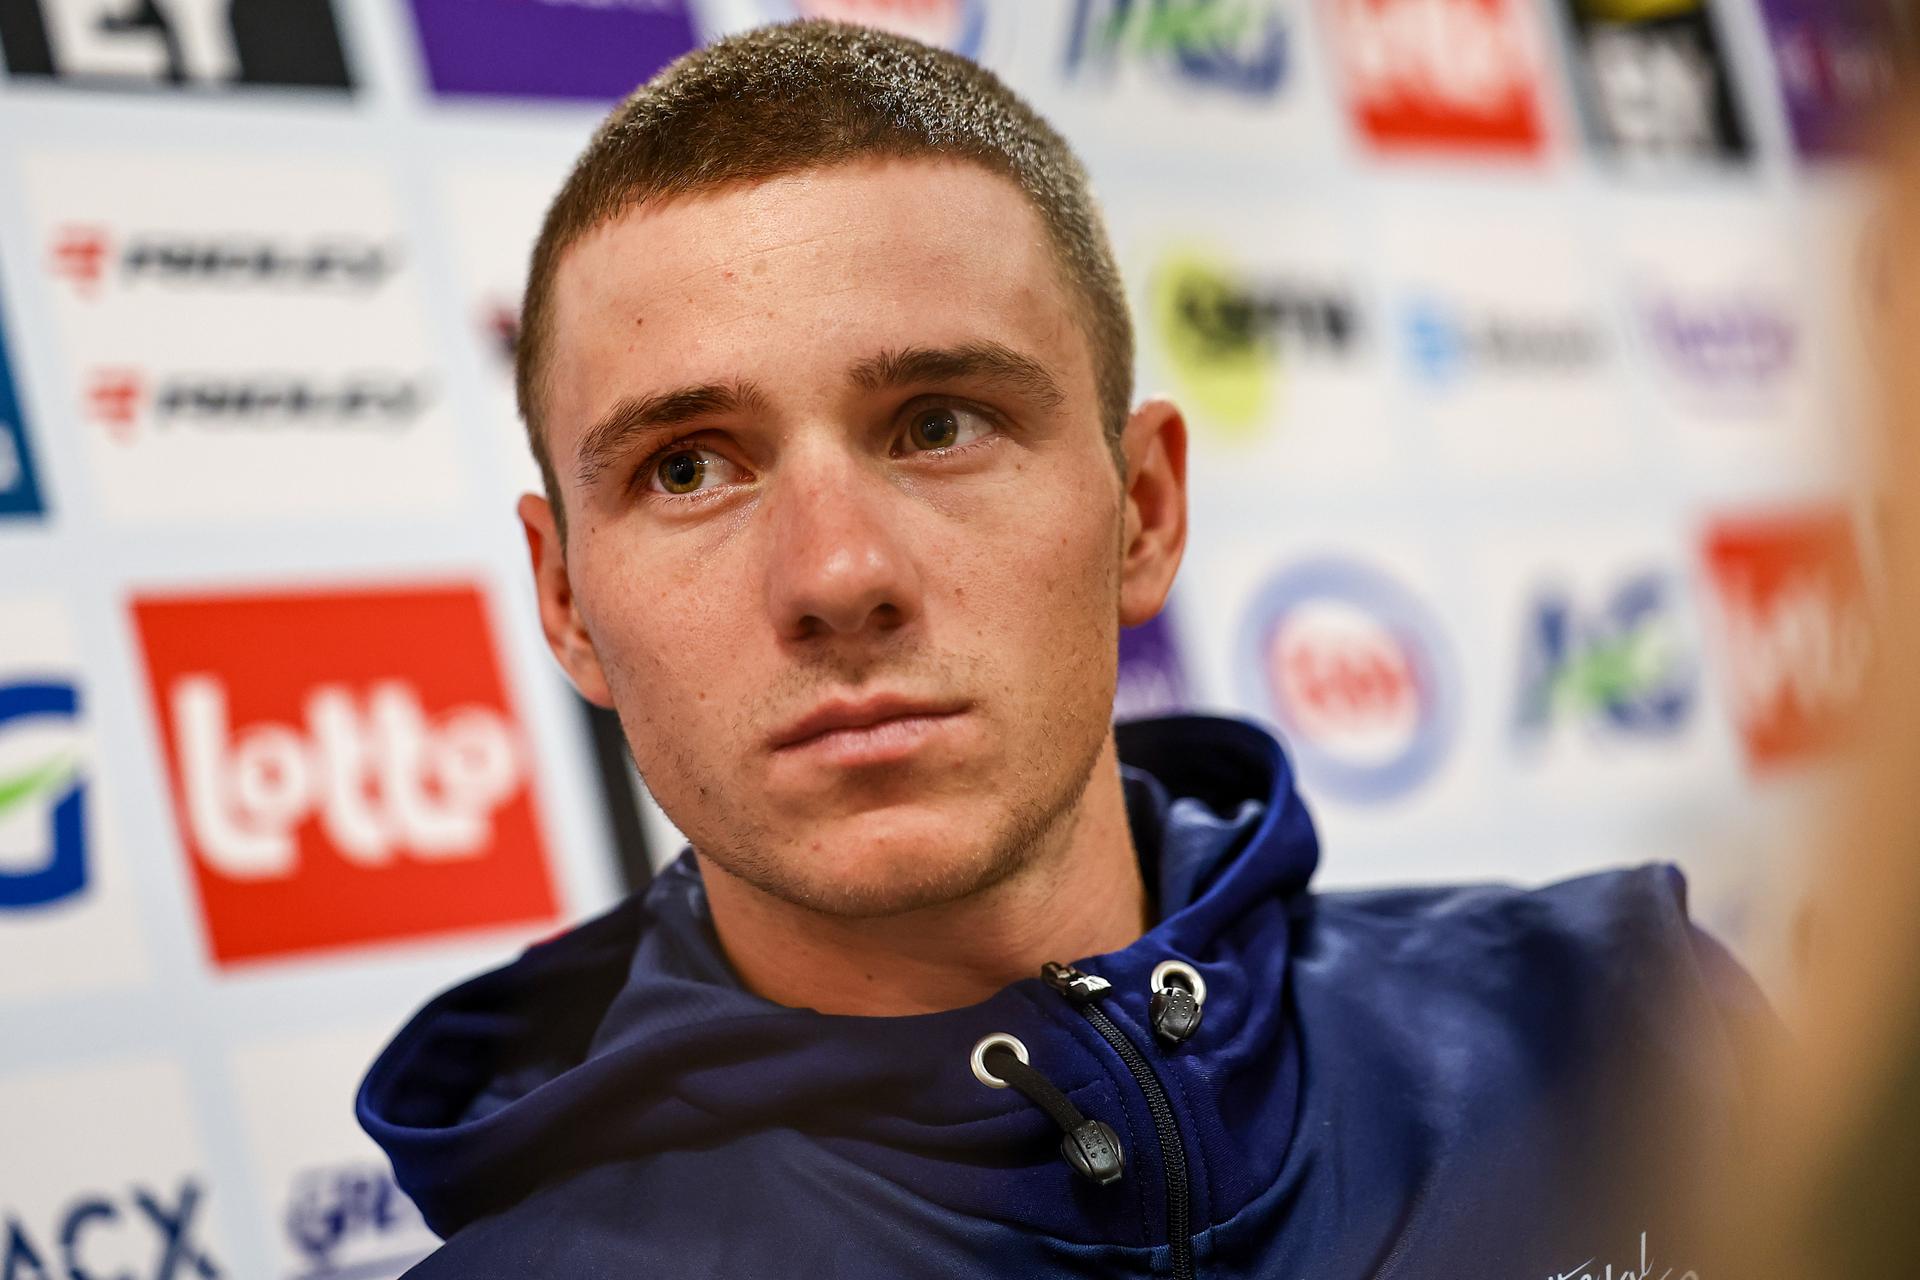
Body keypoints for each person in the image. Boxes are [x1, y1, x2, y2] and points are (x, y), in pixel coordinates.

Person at [358, 21, 1772, 1277]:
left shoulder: (1626, 1034)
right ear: (563, 602)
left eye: (938, 424)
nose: (838, 575)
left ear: (1144, 511)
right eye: (686, 469)